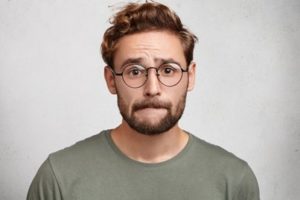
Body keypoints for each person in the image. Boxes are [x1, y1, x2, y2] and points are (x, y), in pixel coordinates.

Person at [27, 1, 260, 200]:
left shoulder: (234, 181)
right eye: (135, 71)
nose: (152, 89)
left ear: (190, 77)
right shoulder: (58, 179)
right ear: (111, 80)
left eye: (168, 70)